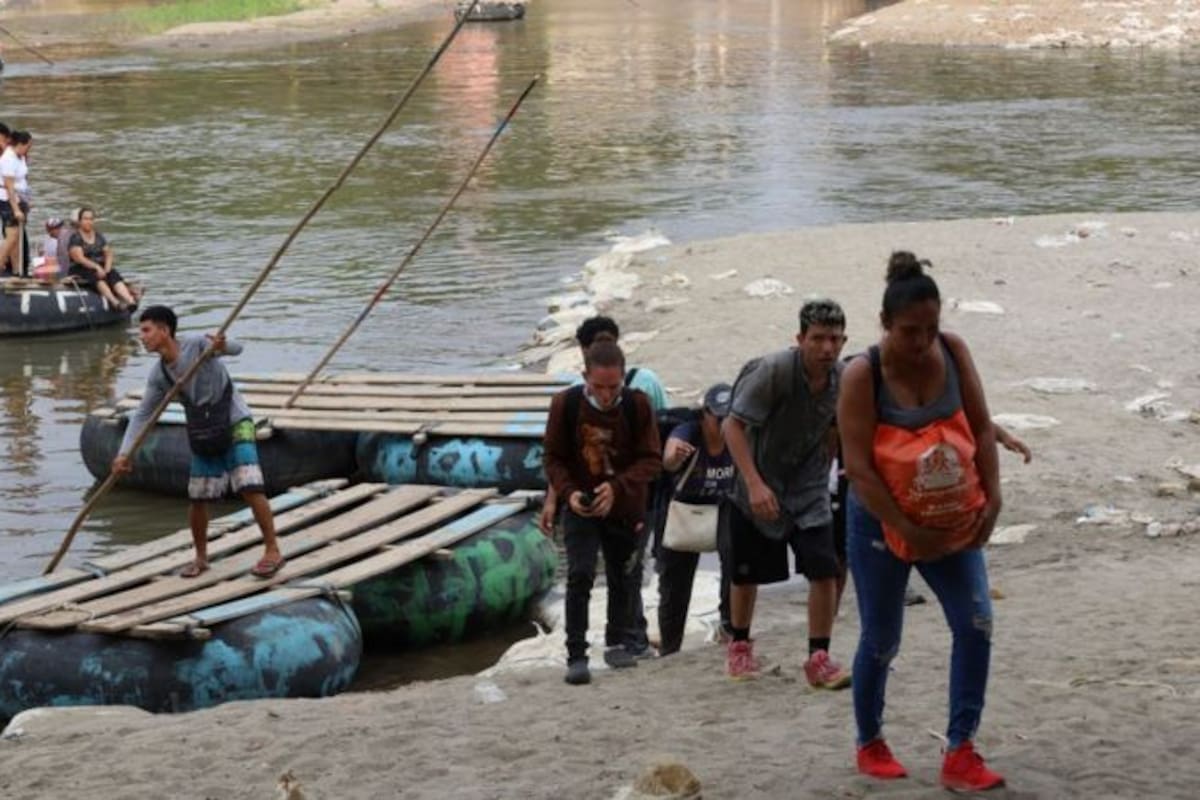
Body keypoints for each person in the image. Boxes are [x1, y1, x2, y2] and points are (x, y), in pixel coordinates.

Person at [838, 251, 1005, 792]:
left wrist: (994, 497)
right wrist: (904, 530)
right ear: (885, 324)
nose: (922, 341)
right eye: (911, 331)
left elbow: (980, 428)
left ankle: (961, 750)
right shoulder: (862, 375)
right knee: (882, 639)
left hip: (953, 520)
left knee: (976, 622)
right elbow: (859, 469)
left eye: (931, 328)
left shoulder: (953, 352)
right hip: (880, 524)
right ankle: (870, 741)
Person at [721, 298, 852, 687]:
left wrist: (836, 461)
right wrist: (755, 483)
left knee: (824, 569)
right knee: (746, 574)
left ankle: (818, 656)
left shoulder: (843, 378)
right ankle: (740, 646)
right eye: (818, 339)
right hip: (757, 480)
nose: (826, 348)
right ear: (800, 339)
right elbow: (732, 426)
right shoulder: (774, 371)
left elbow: (839, 424)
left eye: (834, 339)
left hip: (808, 487)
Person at [113, 306, 285, 580]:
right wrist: (124, 454)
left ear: (165, 330)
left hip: (234, 421)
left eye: (146, 330)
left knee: (249, 486)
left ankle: (272, 550)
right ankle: (201, 558)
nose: (141, 337)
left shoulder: (196, 345)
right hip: (204, 429)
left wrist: (222, 345)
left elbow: (237, 349)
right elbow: (143, 414)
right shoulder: (160, 375)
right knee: (197, 497)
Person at [540, 314, 668, 659]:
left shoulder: (638, 404)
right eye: (600, 387)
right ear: (586, 377)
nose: (608, 395)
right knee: (579, 575)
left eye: (615, 387)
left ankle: (620, 642)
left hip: (625, 507)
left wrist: (618, 488)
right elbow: (553, 458)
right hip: (581, 503)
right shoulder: (564, 405)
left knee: (623, 576)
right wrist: (567, 494)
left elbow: (651, 460)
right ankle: (576, 652)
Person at [656, 382, 735, 656]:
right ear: (705, 415)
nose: (724, 424)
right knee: (674, 584)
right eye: (718, 418)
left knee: (737, 560)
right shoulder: (688, 431)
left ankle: (731, 628)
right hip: (685, 510)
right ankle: (670, 648)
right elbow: (669, 457)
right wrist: (674, 458)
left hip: (723, 506)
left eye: (730, 416)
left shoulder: (740, 435)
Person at [67, 206, 139, 310]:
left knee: (113, 274)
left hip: (99, 265)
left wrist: (107, 268)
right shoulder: (76, 238)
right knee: (95, 276)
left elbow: (108, 253)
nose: (88, 222)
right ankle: (114, 302)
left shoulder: (98, 236)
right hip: (81, 268)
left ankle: (129, 300)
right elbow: (79, 258)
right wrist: (97, 267)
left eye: (91, 219)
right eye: (85, 219)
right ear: (80, 221)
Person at [0, 130, 32, 276]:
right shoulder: (8, 159)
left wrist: (27, 200)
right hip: (8, 200)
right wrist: (16, 209)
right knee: (12, 237)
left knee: (18, 238)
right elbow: (9, 186)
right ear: (20, 144)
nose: (29, 149)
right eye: (28, 146)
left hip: (21, 198)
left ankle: (17, 271)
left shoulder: (21, 156)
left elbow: (24, 179)